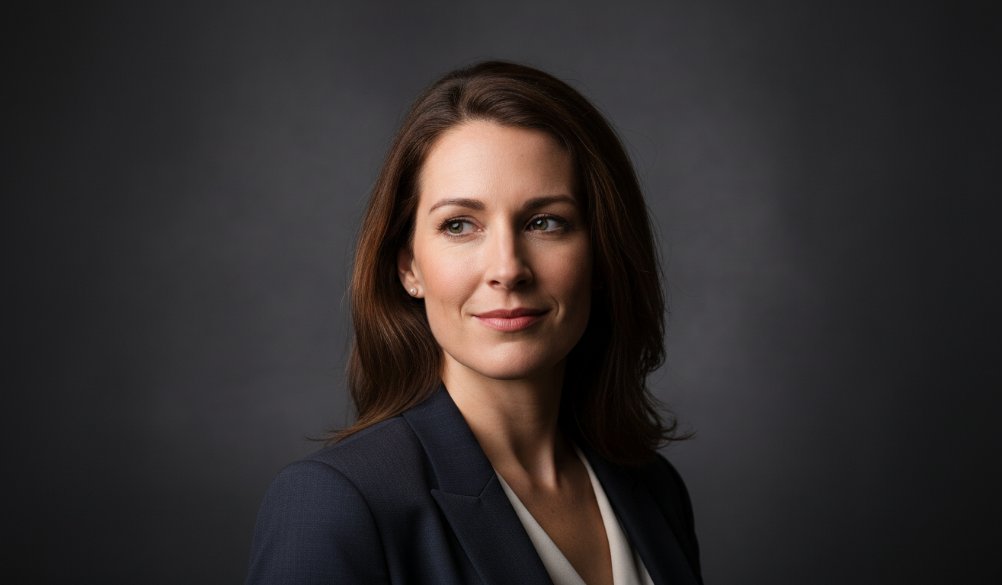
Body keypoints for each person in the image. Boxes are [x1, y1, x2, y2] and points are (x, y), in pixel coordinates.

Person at [246, 61, 703, 585]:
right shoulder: (336, 503)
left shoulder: (653, 488)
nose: (507, 269)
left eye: (545, 222)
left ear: (601, 254)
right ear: (408, 266)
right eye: (459, 225)